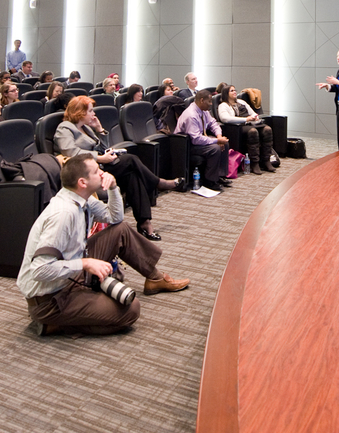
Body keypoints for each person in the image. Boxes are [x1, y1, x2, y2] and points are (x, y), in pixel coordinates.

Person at [18, 153, 189, 336]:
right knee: (130, 310)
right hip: (50, 299)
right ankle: (53, 324)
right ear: (83, 182)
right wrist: (85, 264)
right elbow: (40, 270)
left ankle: (155, 279)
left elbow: (115, 218)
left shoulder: (81, 198)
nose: (102, 173)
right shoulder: (63, 214)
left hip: (70, 273)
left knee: (121, 230)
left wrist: (113, 188)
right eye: (96, 171)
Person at [54, 96, 184, 241]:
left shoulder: (86, 128)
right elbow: (69, 151)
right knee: (130, 160)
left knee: (132, 176)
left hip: (101, 166)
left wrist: (100, 130)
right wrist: (100, 158)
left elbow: (103, 148)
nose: (93, 114)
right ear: (80, 112)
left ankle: (145, 223)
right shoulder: (65, 128)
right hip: (85, 171)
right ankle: (158, 183)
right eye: (90, 111)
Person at [176, 90, 231, 191]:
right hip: (187, 145)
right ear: (202, 100)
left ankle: (219, 176)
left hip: (198, 141)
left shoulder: (203, 111)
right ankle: (209, 181)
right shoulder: (191, 115)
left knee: (224, 144)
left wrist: (219, 136)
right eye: (209, 102)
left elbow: (213, 123)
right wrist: (216, 141)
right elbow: (196, 139)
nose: (211, 104)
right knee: (215, 148)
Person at [217, 84, 276, 173]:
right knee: (253, 131)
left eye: (235, 90)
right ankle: (254, 163)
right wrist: (245, 119)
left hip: (250, 123)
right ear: (226, 93)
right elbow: (225, 118)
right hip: (239, 127)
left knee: (267, 130)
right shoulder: (223, 105)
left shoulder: (241, 102)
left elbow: (252, 113)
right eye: (231, 91)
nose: (235, 92)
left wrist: (255, 117)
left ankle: (266, 160)